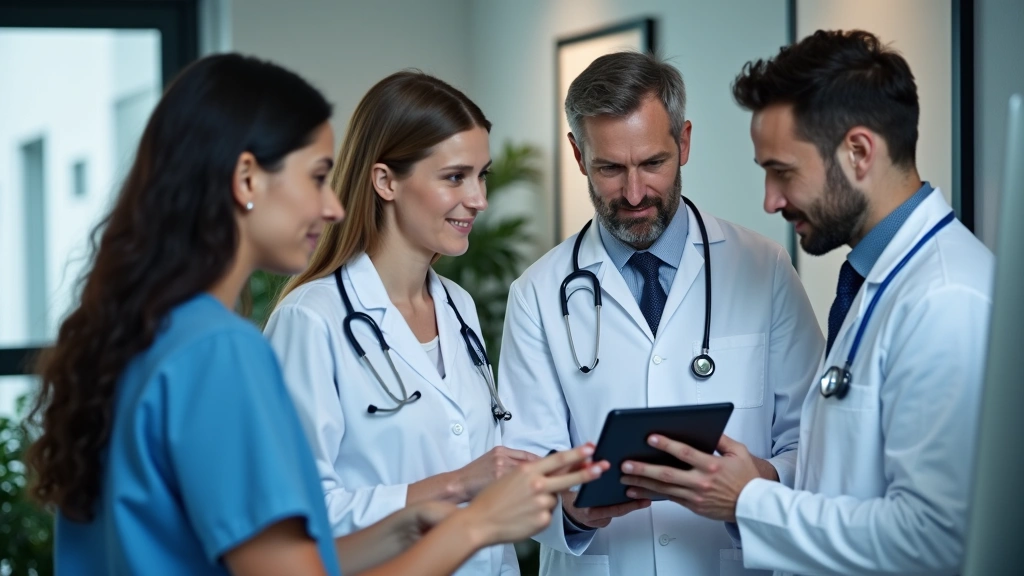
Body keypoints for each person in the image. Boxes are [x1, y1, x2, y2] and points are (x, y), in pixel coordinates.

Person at [25, 53, 605, 576]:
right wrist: (471, 520)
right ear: (247, 178)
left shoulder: (145, 337)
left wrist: (421, 519)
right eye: (317, 177)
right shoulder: (224, 348)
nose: (332, 205)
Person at [620, 30, 994, 575]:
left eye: (783, 172)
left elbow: (936, 540)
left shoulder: (946, 298)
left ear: (859, 152)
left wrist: (749, 500)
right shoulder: (875, 281)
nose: (770, 201)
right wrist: (755, 485)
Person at [497, 51, 824, 575]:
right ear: (578, 156)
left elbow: (812, 441)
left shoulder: (764, 268)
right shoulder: (537, 294)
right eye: (610, 168)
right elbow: (522, 466)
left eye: (652, 163)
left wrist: (751, 485)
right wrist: (573, 512)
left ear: (685, 142)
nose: (634, 193)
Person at [263, 71, 539, 575]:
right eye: (455, 177)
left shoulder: (458, 305)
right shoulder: (311, 320)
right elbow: (295, 520)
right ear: (385, 180)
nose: (478, 198)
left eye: (483, 176)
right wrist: (455, 483)